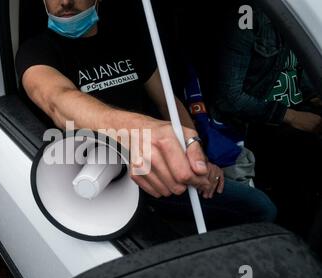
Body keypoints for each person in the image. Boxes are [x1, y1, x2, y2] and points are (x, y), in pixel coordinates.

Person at [16, 0, 277, 228]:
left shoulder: (126, 41)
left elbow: (168, 103)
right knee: (260, 206)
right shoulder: (36, 51)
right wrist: (139, 133)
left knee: (261, 206)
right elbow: (57, 99)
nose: (64, 2)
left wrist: (197, 154)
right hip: (101, 177)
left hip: (161, 163)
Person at [212, 4, 322, 236]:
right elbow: (229, 98)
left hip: (295, 113)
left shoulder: (300, 14)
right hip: (258, 124)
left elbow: (298, 75)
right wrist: (291, 117)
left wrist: (313, 98)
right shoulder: (248, 16)